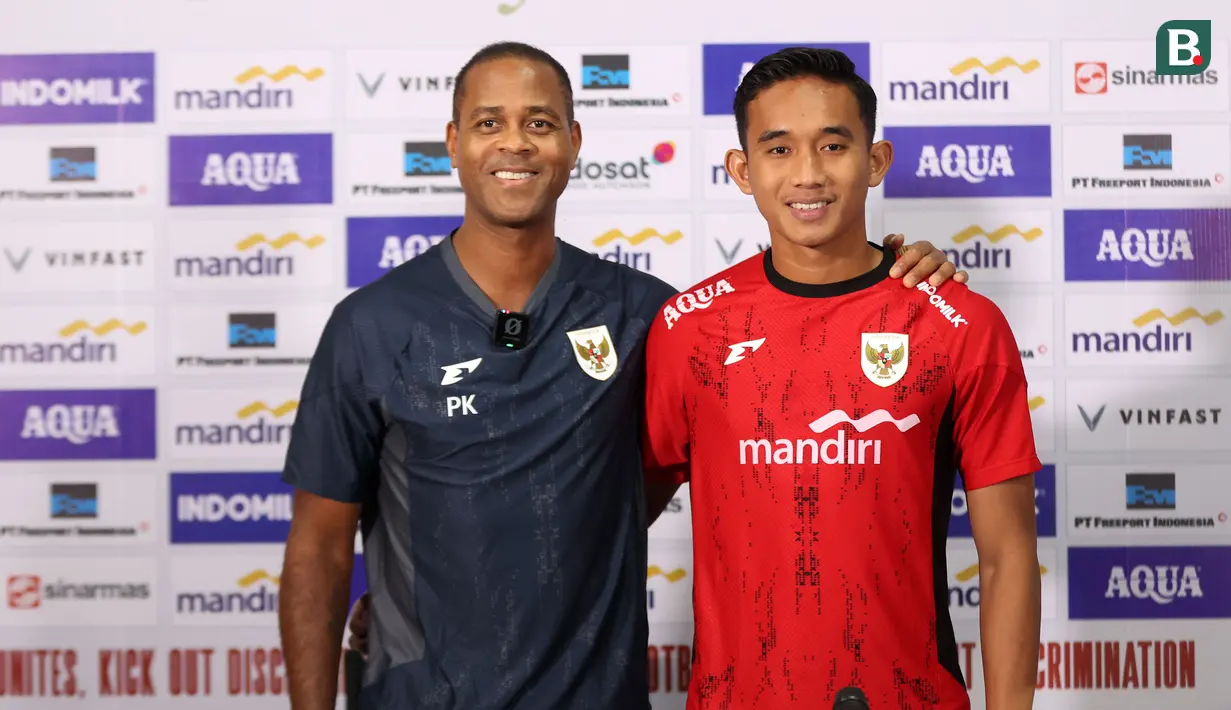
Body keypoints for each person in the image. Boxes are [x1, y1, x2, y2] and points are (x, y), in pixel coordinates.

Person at [279, 41, 967, 710]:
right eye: (490, 123)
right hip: (417, 694)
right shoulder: (371, 324)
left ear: (573, 144)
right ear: (453, 142)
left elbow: (795, 351)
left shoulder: (648, 317)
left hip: (595, 694)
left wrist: (893, 275)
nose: (515, 144)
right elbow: (317, 549)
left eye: (540, 123)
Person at [639, 47, 1043, 710]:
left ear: (875, 161)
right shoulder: (689, 328)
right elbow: (613, 518)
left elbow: (1007, 559)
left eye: (832, 145)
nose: (807, 175)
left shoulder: (960, 325)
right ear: (740, 170)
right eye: (778, 150)